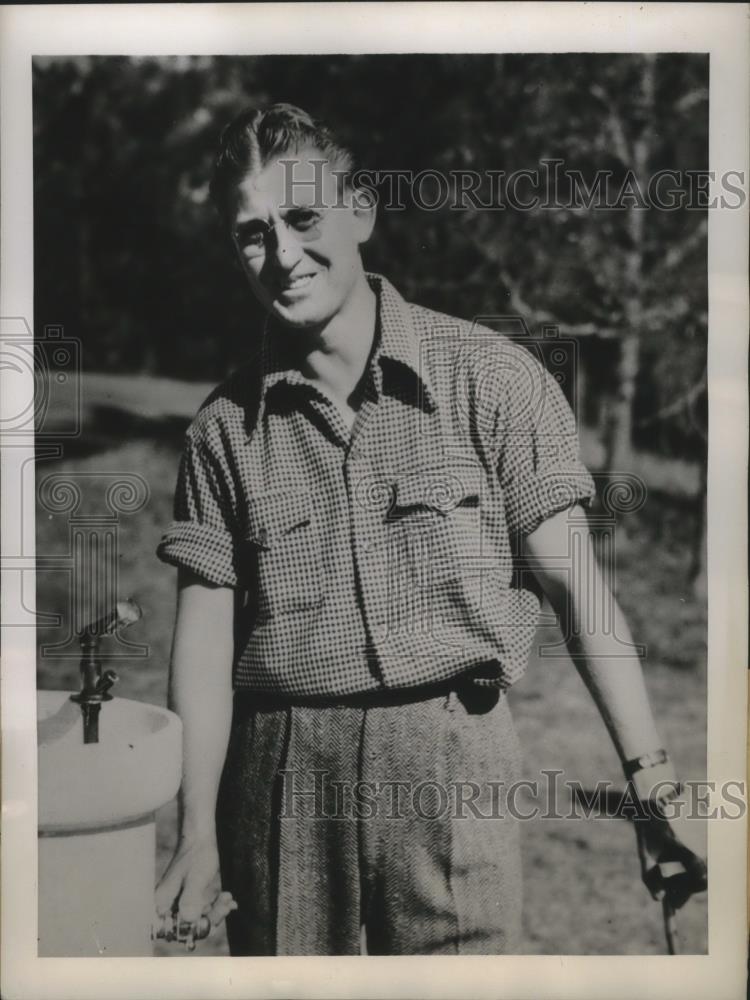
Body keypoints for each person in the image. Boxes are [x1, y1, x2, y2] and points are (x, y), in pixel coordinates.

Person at [154, 103, 707, 955]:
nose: (284, 255)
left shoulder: (491, 380)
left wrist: (652, 782)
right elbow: (201, 639)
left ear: (361, 210)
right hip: (280, 778)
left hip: (455, 764)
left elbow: (577, 591)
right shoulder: (224, 429)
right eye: (252, 234)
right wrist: (196, 832)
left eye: (303, 218)